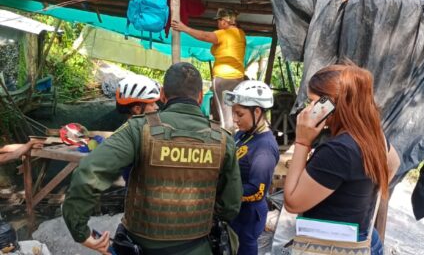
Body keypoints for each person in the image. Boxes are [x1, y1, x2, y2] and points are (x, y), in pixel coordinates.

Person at [62, 62, 242, 255]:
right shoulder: (223, 139)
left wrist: (81, 232)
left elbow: (88, 172)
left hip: (143, 248)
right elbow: (230, 205)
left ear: (163, 94)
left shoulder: (139, 129)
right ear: (200, 97)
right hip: (198, 247)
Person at [283, 63, 401, 255]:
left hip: (333, 247)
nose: (309, 109)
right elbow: (394, 162)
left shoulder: (338, 151)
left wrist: (302, 142)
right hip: (365, 240)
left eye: (313, 102)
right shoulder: (373, 135)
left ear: (331, 104)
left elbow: (292, 202)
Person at [223, 80, 280, 255]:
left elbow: (257, 191)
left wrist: (223, 194)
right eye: (233, 113)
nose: (235, 119)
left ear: (257, 111)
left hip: (248, 217)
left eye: (239, 114)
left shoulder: (264, 148)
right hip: (235, 212)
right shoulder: (242, 135)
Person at [171, 8, 246, 132]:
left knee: (225, 115)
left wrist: (184, 28)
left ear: (224, 21)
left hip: (224, 79)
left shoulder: (224, 33)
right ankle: (236, 138)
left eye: (218, 21)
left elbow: (205, 36)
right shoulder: (240, 34)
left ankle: (228, 142)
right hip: (238, 79)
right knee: (236, 112)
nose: (217, 24)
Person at [115, 75, 161, 184]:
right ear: (137, 109)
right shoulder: (132, 138)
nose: (157, 107)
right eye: (152, 104)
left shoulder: (126, 132)